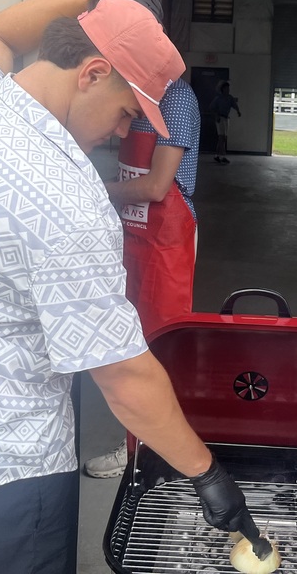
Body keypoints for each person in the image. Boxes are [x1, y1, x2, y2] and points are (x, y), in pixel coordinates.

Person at [0, 0, 267, 574]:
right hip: (4, 478)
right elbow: (123, 377)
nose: (120, 131)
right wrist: (207, 474)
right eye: (127, 112)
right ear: (92, 73)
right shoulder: (65, 200)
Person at [84, 74, 201, 478]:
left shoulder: (178, 100)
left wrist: (97, 189)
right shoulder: (133, 93)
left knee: (160, 341)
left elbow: (155, 187)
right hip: (133, 235)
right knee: (129, 336)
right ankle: (142, 440)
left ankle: (147, 449)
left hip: (165, 238)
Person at [210, 79, 241, 163]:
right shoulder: (218, 98)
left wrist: (238, 111)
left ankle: (217, 155)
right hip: (220, 118)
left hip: (226, 118)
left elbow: (234, 105)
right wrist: (216, 116)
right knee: (221, 137)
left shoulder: (229, 98)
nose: (228, 90)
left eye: (228, 89)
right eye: (226, 88)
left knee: (224, 138)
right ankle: (222, 156)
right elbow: (212, 108)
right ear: (223, 89)